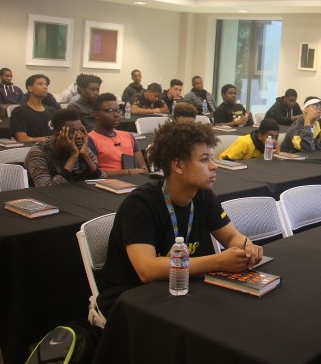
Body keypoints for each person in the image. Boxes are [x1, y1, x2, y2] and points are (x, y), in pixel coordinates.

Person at [96, 120, 264, 318]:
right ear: (178, 165)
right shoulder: (140, 204)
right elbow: (147, 270)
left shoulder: (203, 195)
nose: (213, 166)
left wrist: (247, 246)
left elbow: (232, 237)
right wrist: (218, 261)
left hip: (185, 287)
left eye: (211, 158)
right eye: (204, 160)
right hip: (133, 297)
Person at [25, 108, 107, 186]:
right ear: (58, 135)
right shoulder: (39, 152)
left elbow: (103, 179)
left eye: (81, 130)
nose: (79, 136)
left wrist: (85, 155)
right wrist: (73, 156)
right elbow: (46, 188)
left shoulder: (83, 148)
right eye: (72, 132)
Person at [88, 93, 148, 177]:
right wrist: (128, 172)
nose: (116, 115)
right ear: (97, 115)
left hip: (135, 181)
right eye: (110, 111)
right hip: (108, 183)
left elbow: (144, 169)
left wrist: (135, 172)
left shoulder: (128, 136)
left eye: (118, 110)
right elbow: (95, 174)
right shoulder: (90, 139)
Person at [10, 74, 58, 142]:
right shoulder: (19, 111)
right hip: (31, 147)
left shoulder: (52, 111)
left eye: (46, 84)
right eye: (40, 84)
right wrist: (49, 139)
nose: (45, 87)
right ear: (30, 88)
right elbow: (22, 139)